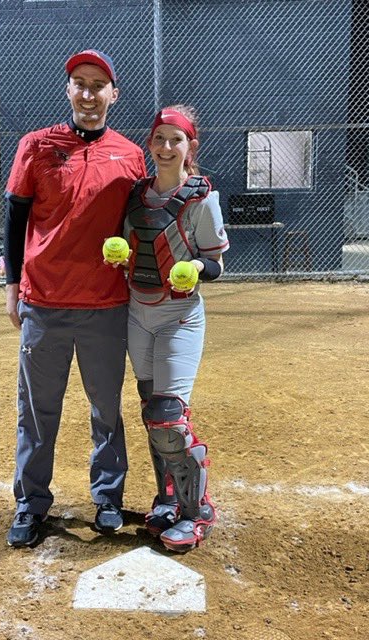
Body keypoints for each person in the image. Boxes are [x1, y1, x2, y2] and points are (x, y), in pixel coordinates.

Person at [3, 49, 146, 547]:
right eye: (80, 83)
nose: (89, 94)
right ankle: (30, 503)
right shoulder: (37, 146)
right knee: (38, 410)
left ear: (113, 94)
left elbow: (138, 223)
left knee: (105, 406)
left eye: (98, 85)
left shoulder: (129, 154)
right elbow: (16, 217)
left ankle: (107, 497)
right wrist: (11, 286)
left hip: (106, 305)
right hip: (43, 299)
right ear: (68, 90)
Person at [117, 105, 229, 552]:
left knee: (168, 416)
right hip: (137, 313)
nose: (166, 148)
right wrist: (118, 255)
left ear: (190, 147)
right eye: (159, 139)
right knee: (152, 411)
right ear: (150, 144)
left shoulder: (202, 198)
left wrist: (198, 267)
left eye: (175, 140)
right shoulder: (135, 195)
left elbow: (217, 261)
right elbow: (129, 245)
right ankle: (167, 498)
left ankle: (197, 511)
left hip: (179, 315)